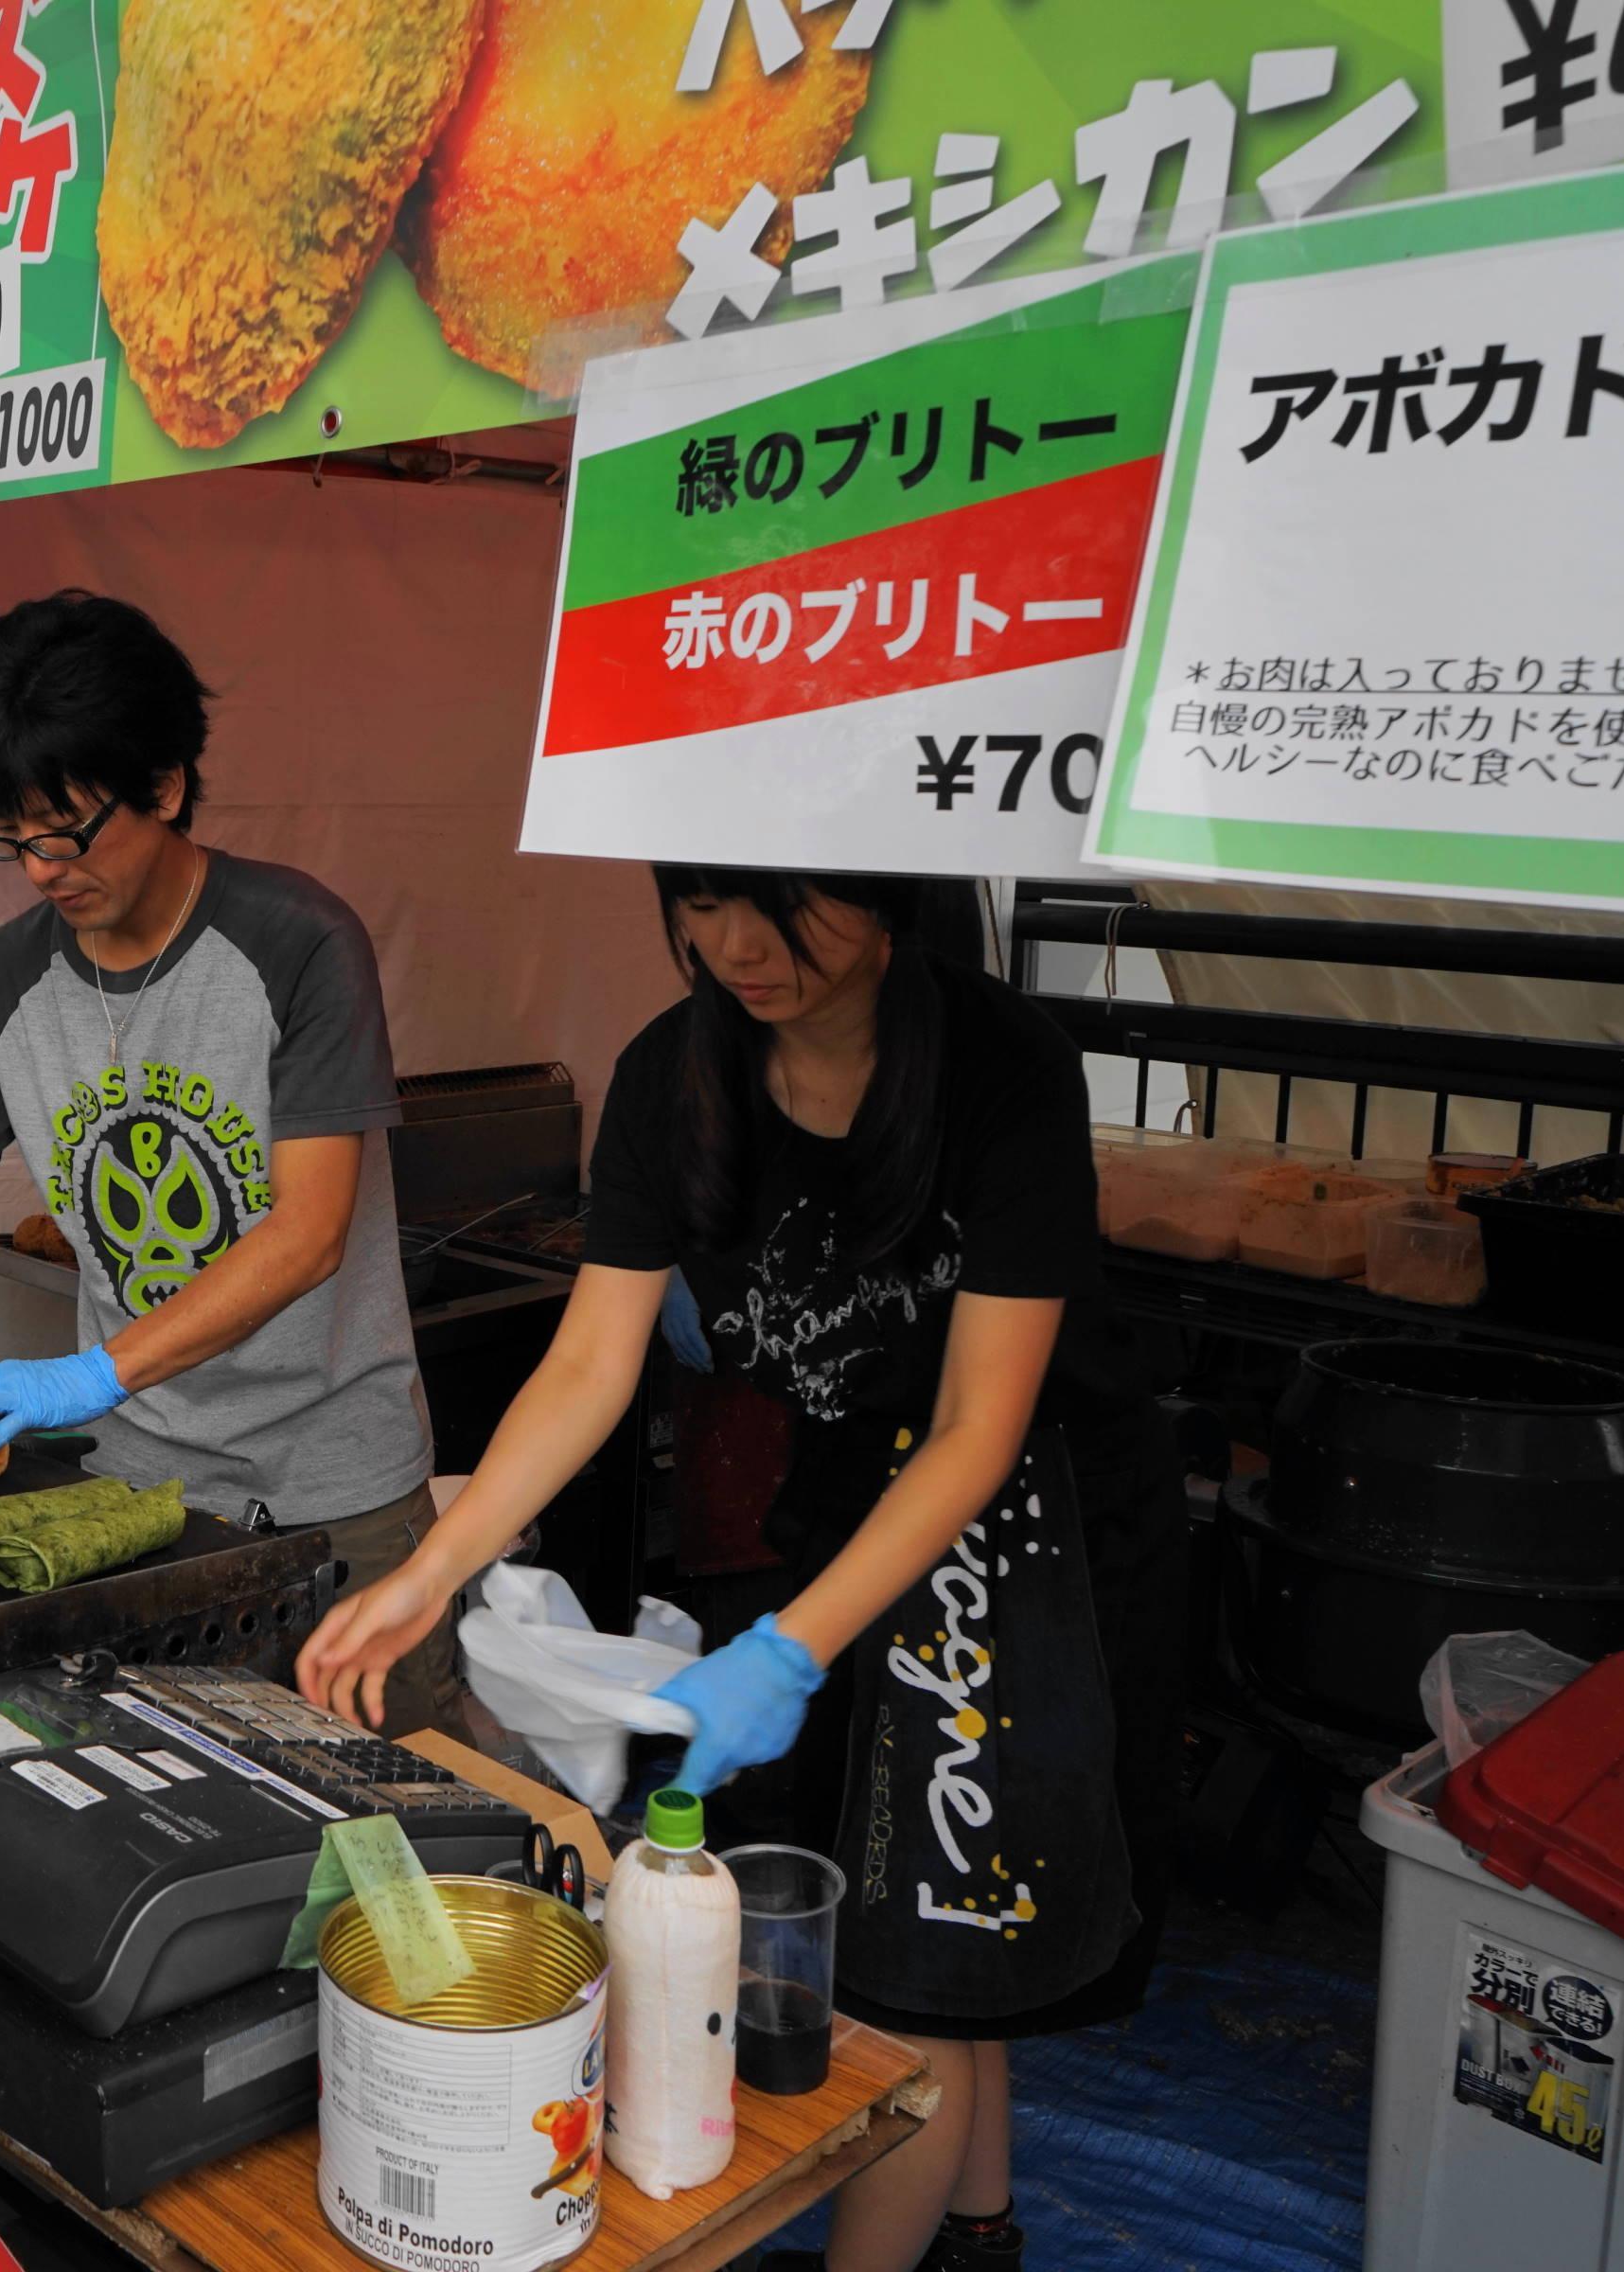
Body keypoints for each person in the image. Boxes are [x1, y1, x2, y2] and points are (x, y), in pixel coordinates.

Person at [299, 867, 1182, 2272]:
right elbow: (591, 1361)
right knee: (907, 1923)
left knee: (927, 1956)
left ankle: (933, 2236)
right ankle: (982, 2231)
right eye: (701, 901)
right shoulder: (674, 1071)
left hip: (1023, 1528)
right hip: (849, 1495)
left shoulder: (1006, 1064)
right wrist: (432, 1566)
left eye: (782, 905)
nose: (735, 947)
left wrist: (786, 1649)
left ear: (889, 890)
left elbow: (978, 1426)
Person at [0, 592, 457, 1731]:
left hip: (336, 1497)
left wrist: (91, 1373)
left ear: (162, 785)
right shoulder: (9, 979)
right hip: (136, 1494)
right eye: (12, 834)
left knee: (394, 1827)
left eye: (66, 829)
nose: (41, 868)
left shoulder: (300, 943)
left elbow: (306, 1233)